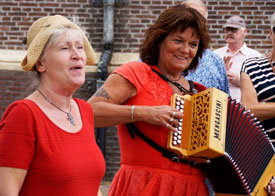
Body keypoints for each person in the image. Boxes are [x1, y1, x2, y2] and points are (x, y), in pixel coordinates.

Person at [89, 4, 211, 196]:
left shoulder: (201, 93)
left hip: (194, 189)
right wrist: (144, 113)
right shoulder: (137, 73)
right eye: (178, 40)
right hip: (144, 185)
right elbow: (89, 112)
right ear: (159, 40)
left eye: (193, 44)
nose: (185, 50)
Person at [0, 15, 105, 196]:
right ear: (40, 64)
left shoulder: (84, 110)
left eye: (79, 47)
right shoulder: (23, 114)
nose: (77, 55)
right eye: (64, 48)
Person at [240, 12, 275, 196]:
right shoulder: (252, 65)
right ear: (271, 32)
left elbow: (257, 107)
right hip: (264, 156)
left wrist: (265, 106)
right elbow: (249, 110)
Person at [183, 0, 230, 95]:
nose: (195, 25)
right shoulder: (156, 56)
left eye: (200, 21)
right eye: (190, 19)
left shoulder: (216, 62)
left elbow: (225, 102)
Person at [214, 15, 261, 102]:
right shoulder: (216, 55)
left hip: (245, 110)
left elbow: (262, 88)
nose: (229, 33)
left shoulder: (255, 56)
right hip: (219, 108)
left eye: (234, 30)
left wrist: (240, 82)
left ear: (245, 31)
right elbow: (207, 84)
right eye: (227, 29)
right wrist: (221, 76)